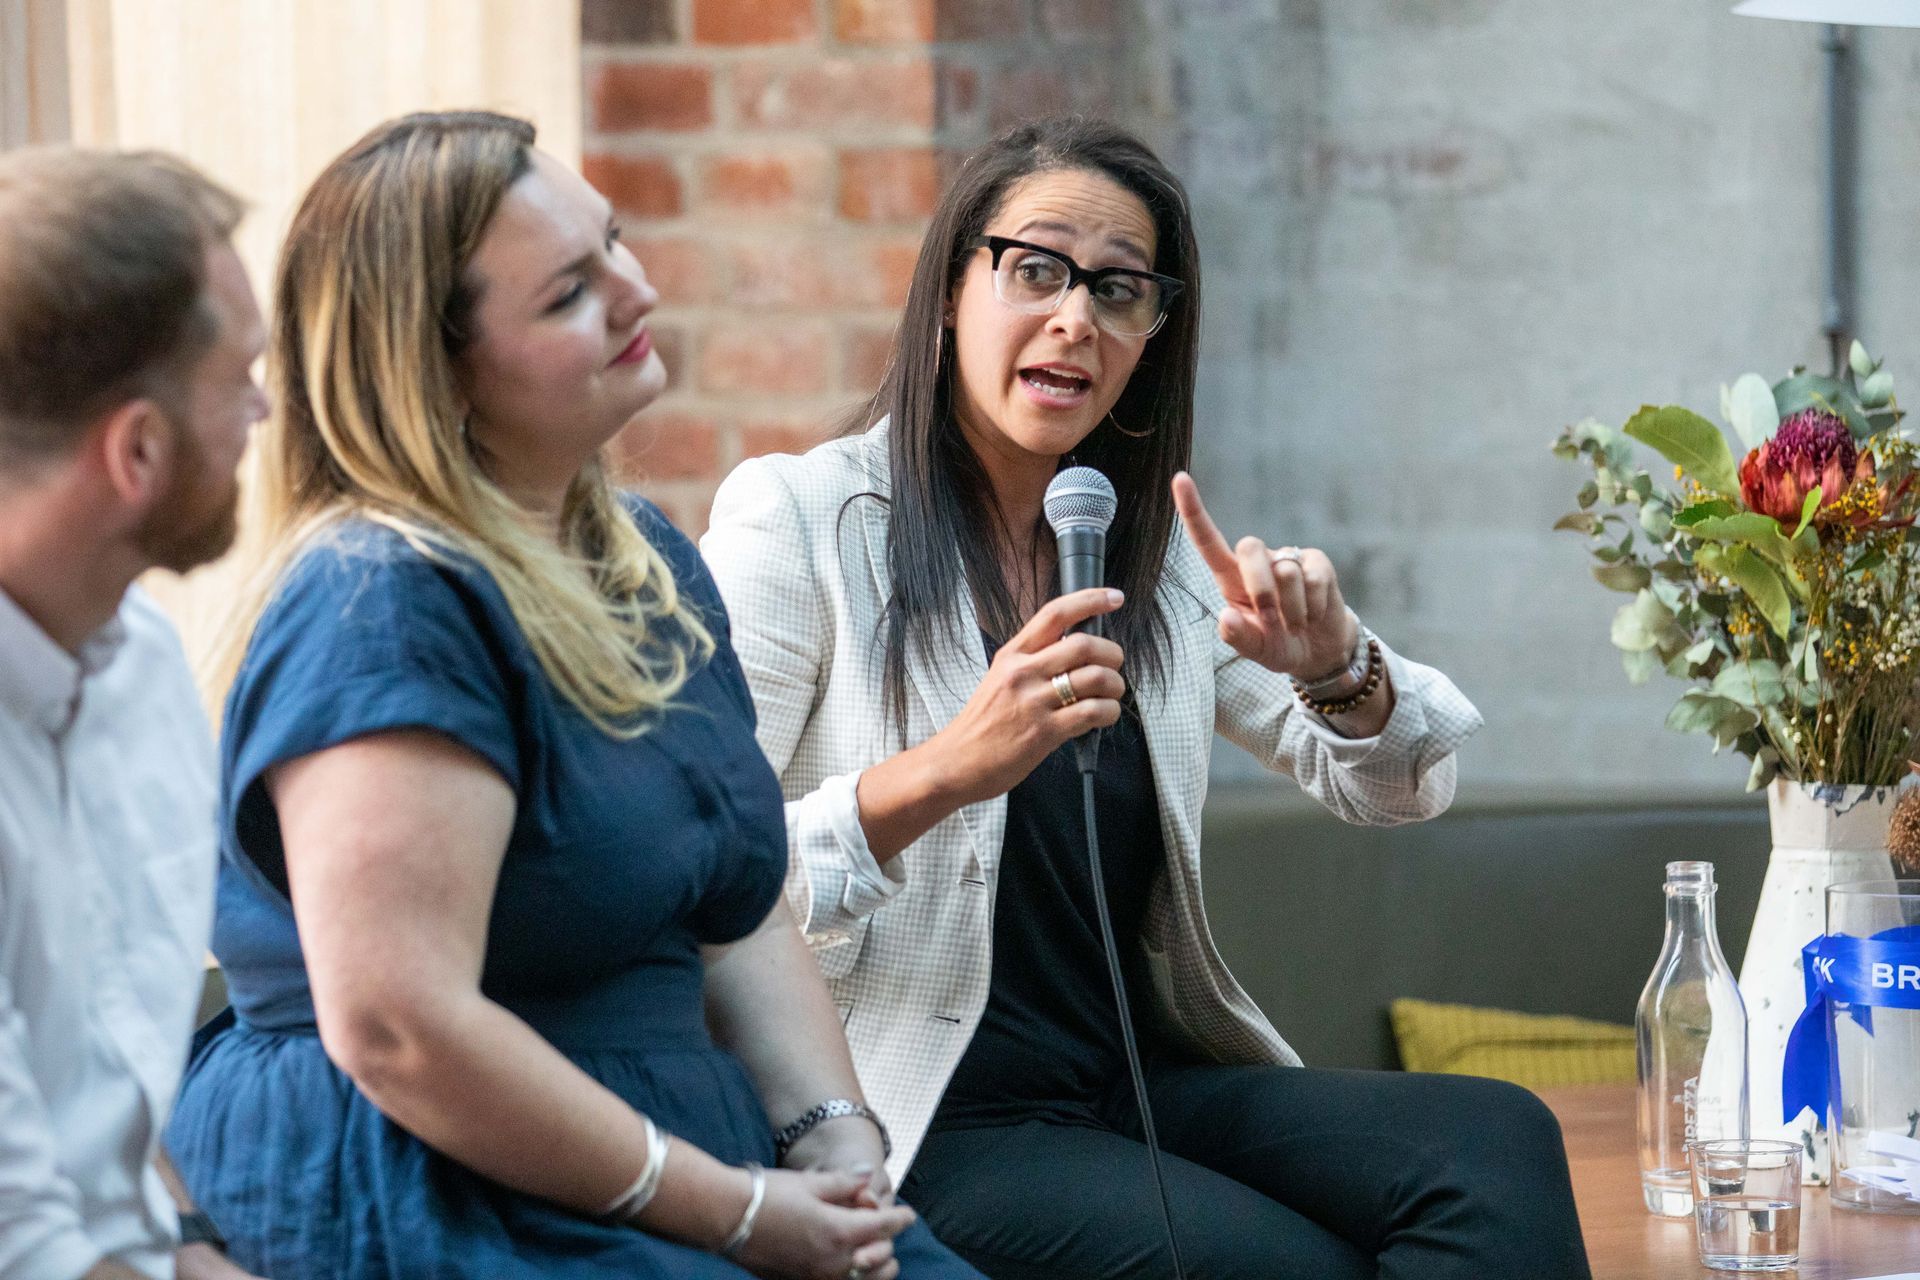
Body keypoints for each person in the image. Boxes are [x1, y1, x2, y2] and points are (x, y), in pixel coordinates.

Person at [700, 116, 1592, 1280]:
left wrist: (1337, 669)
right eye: (1037, 269)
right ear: (954, 287)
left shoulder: (1145, 555)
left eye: (1121, 290)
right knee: (1306, 1266)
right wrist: (947, 769)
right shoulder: (800, 520)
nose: (1077, 316)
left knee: (1495, 1137)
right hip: (915, 1106)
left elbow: (1397, 790)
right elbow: (712, 877)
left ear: (1150, 338)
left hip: (1129, 1081)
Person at [162, 111, 983, 1280]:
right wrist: (733, 1210)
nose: (632, 290)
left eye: (614, 242)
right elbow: (401, 1028)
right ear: (435, 374)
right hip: (446, 1182)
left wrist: (836, 1143)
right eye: (565, 296)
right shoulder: (381, 604)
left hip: (696, 1163)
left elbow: (735, 910)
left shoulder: (643, 554)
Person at [0, 148, 269, 1280]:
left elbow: (105, 1111)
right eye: (241, 375)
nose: (263, 406)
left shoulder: (146, 662)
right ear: (139, 450)